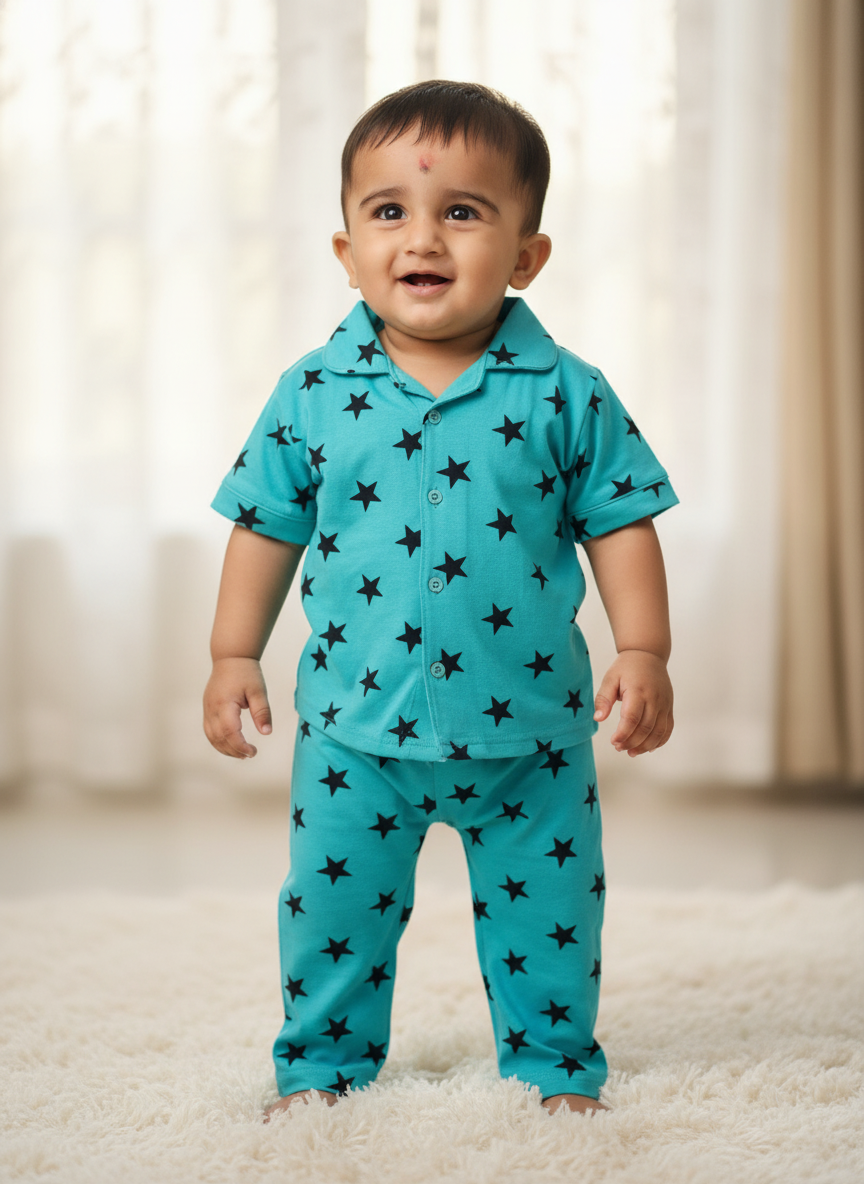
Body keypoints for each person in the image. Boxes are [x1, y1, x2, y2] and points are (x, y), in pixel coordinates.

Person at [203, 80, 677, 1120]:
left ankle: (555, 1064)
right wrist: (232, 652)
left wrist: (643, 649)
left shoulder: (565, 391)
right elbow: (264, 527)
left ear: (525, 255)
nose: (422, 235)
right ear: (346, 250)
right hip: (355, 732)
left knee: (551, 911)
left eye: (462, 211)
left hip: (532, 734)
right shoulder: (314, 393)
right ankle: (321, 1066)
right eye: (391, 212)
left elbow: (622, 522)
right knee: (331, 911)